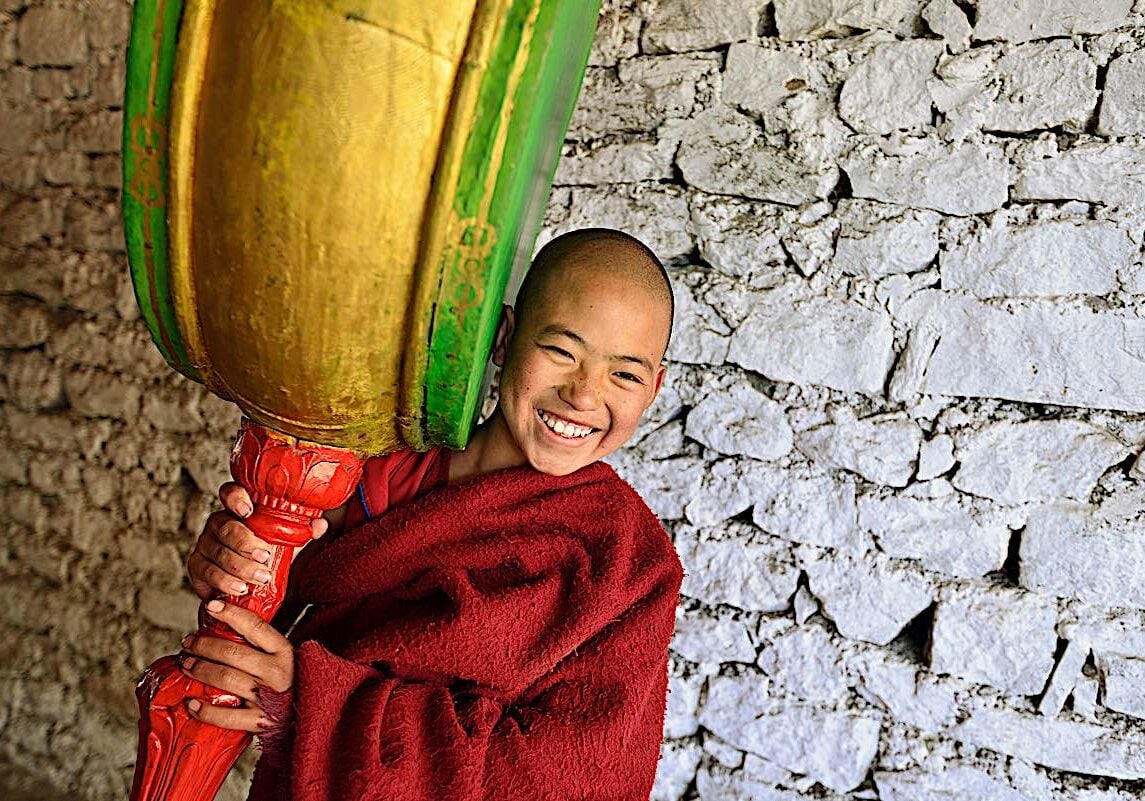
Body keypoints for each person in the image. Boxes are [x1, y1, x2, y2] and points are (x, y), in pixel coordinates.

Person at [178, 228, 683, 801]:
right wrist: (230, 566)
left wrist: (314, 703)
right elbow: (270, 594)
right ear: (506, 338)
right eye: (563, 352)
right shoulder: (378, 467)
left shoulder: (628, 562)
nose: (585, 396)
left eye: (626, 374)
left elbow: (579, 779)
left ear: (655, 388)